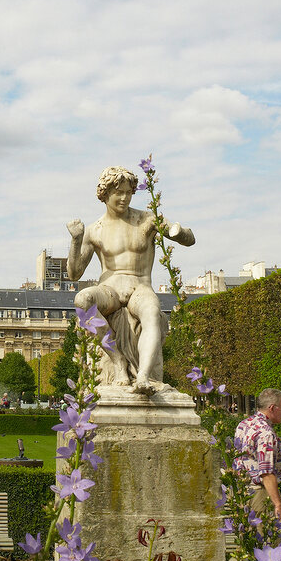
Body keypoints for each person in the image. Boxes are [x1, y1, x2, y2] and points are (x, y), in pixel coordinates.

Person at [66, 166, 195, 392]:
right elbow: (75, 273)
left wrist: (176, 232)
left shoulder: (146, 219)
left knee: (152, 313)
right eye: (119, 193)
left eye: (129, 192)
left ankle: (144, 376)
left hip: (140, 287)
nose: (125, 198)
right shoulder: (94, 230)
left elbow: (189, 239)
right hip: (110, 290)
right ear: (105, 194)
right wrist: (76, 241)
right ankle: (118, 362)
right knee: (82, 301)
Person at [233, 388, 281, 524]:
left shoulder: (243, 424)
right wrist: (277, 504)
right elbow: (266, 473)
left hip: (242, 494)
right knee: (271, 541)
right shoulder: (266, 433)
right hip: (261, 495)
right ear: (272, 408)